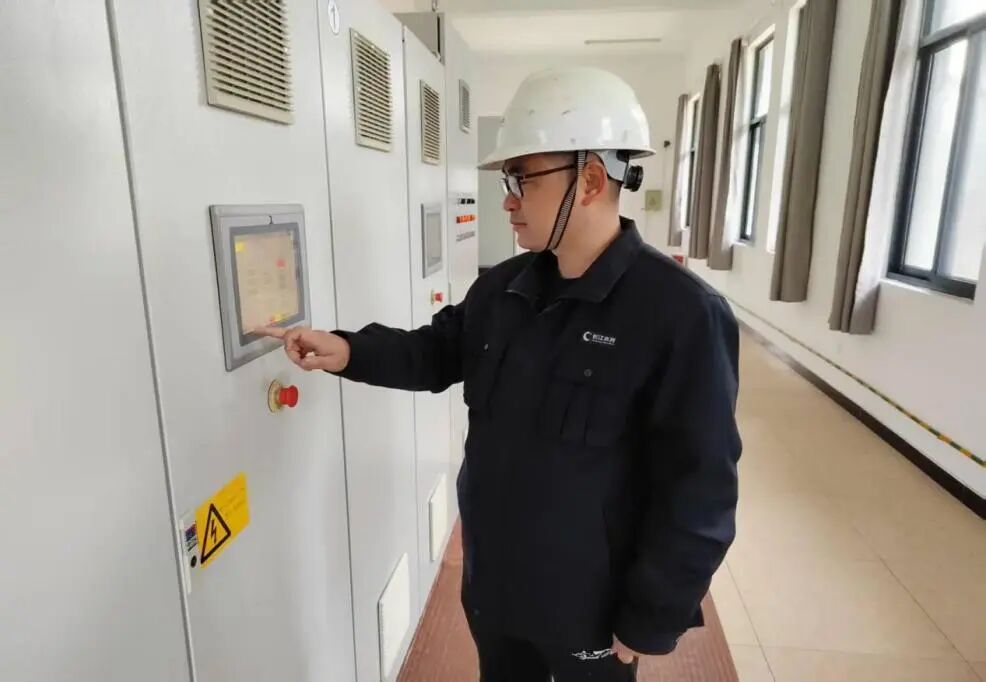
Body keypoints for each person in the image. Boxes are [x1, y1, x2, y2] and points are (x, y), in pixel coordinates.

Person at [257, 67, 741, 682]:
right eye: (507, 181)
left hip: (591, 607)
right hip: (495, 587)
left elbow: (699, 488)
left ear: (591, 180)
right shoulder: (503, 289)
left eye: (522, 179)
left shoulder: (680, 314)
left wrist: (651, 617)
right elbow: (436, 352)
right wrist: (349, 350)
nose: (507, 200)